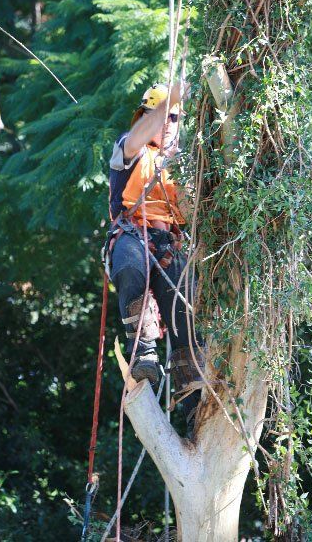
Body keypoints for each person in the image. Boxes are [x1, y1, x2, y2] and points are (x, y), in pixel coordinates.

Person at [106, 82, 203, 435]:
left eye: (174, 118)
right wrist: (170, 101)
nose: (165, 123)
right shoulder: (128, 150)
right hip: (132, 235)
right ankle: (142, 351)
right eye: (157, 116)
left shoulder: (186, 165)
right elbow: (137, 137)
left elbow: (194, 213)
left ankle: (195, 405)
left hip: (170, 244)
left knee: (187, 315)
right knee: (130, 266)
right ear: (143, 117)